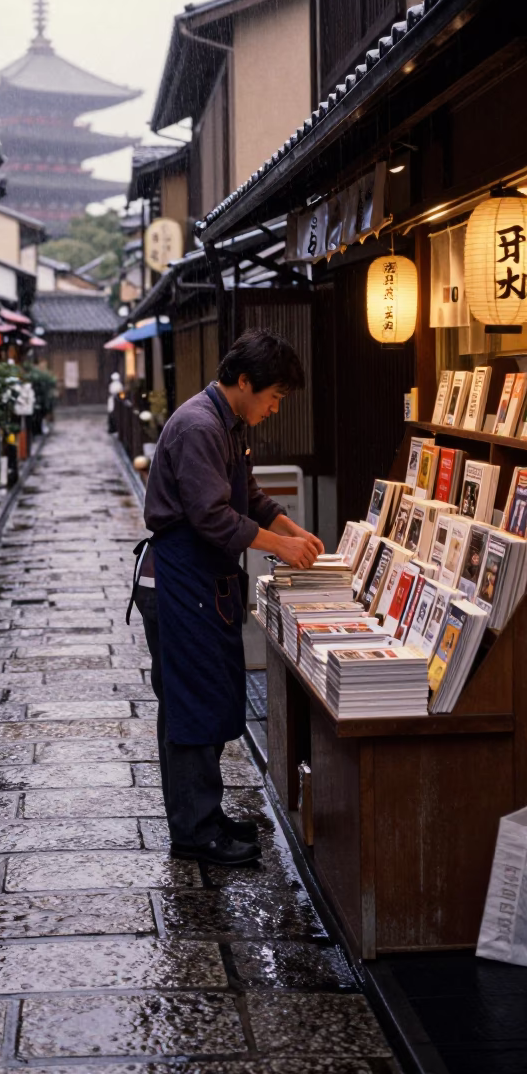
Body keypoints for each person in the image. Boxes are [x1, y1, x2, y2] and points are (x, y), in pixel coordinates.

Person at [132, 328, 323, 867]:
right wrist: (280, 547)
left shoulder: (227, 421)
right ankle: (195, 832)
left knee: (208, 697)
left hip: (202, 581)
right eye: (274, 397)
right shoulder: (199, 425)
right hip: (180, 578)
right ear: (244, 382)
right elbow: (211, 515)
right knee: (191, 703)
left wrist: (291, 529)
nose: (275, 408)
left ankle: (205, 816)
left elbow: (249, 495)